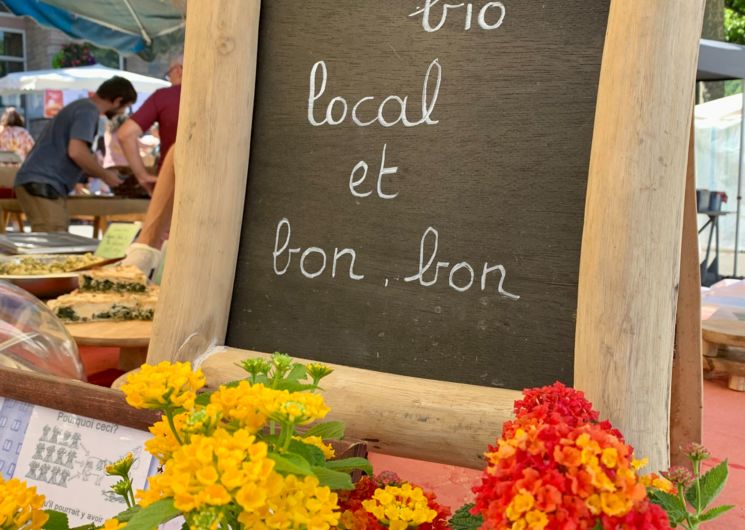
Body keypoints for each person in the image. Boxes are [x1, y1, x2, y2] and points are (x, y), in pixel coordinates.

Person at [14, 76, 137, 232]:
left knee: (56, 237)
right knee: (54, 241)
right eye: (125, 107)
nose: (123, 112)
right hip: (42, 182)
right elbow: (77, 152)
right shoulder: (88, 111)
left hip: (41, 181)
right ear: (117, 100)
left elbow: (75, 154)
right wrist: (105, 175)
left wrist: (100, 171)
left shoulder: (81, 107)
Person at [118, 54, 183, 275]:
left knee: (162, 254)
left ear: (179, 70)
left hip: (175, 189)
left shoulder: (164, 96)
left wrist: (142, 175)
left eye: (169, 74)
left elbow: (126, 134)